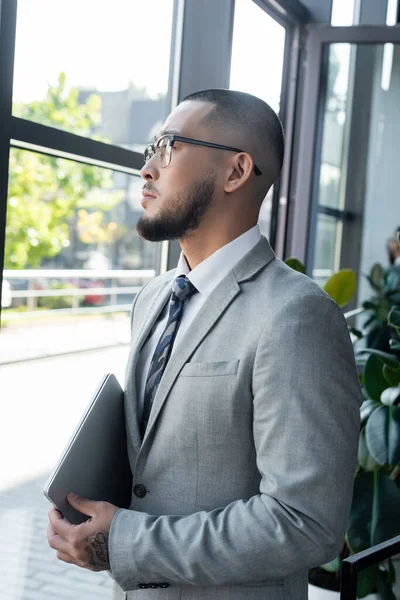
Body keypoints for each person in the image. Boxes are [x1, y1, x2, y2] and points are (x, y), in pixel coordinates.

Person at [47, 89, 362, 600]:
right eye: (150, 150)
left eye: (167, 147)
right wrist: (91, 521)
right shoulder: (152, 299)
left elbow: (306, 522)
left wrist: (125, 542)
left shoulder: (298, 314)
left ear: (236, 172)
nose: (147, 169)